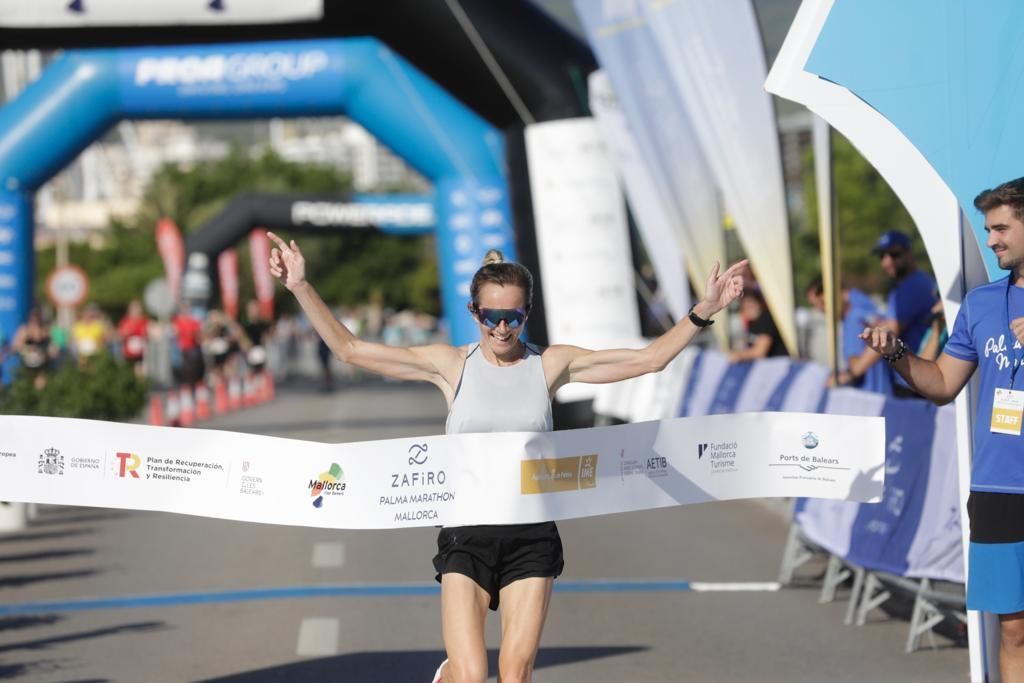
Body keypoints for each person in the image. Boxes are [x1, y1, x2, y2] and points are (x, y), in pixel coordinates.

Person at [267, 231, 745, 683]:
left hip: (531, 537)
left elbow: (650, 360)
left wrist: (703, 311)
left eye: (513, 317)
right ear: (473, 312)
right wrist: (301, 286)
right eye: (490, 316)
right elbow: (350, 350)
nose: (501, 327)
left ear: (527, 312)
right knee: (473, 674)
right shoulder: (450, 364)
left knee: (515, 675)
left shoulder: (551, 364)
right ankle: (449, 674)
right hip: (467, 536)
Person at [860, 177, 1024, 681]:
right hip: (999, 488)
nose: (991, 239)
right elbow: (942, 384)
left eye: (1001, 228)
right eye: (988, 228)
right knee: (1014, 629)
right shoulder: (980, 304)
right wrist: (897, 354)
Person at [852, 230, 938, 396]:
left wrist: (853, 372)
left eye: (894, 254)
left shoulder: (911, 286)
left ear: (909, 253)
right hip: (916, 379)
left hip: (916, 382)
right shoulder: (910, 284)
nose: (887, 261)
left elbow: (889, 333)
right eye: (882, 256)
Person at [806, 276, 892, 393]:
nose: (822, 310)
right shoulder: (864, 306)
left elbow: (854, 364)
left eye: (822, 303)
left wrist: (842, 377)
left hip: (870, 394)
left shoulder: (853, 319)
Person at [728, 288, 787, 362]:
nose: (749, 309)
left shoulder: (766, 319)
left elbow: (760, 352)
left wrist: (739, 355)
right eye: (745, 307)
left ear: (759, 303)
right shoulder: (752, 322)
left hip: (778, 363)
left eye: (751, 305)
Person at [117, 299, 150, 377]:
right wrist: (127, 333)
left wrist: (146, 334)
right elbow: (121, 334)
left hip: (141, 353)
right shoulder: (125, 321)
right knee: (128, 373)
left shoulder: (144, 321)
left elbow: (148, 333)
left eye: (138, 308)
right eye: (134, 308)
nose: (136, 310)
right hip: (128, 353)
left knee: (139, 373)